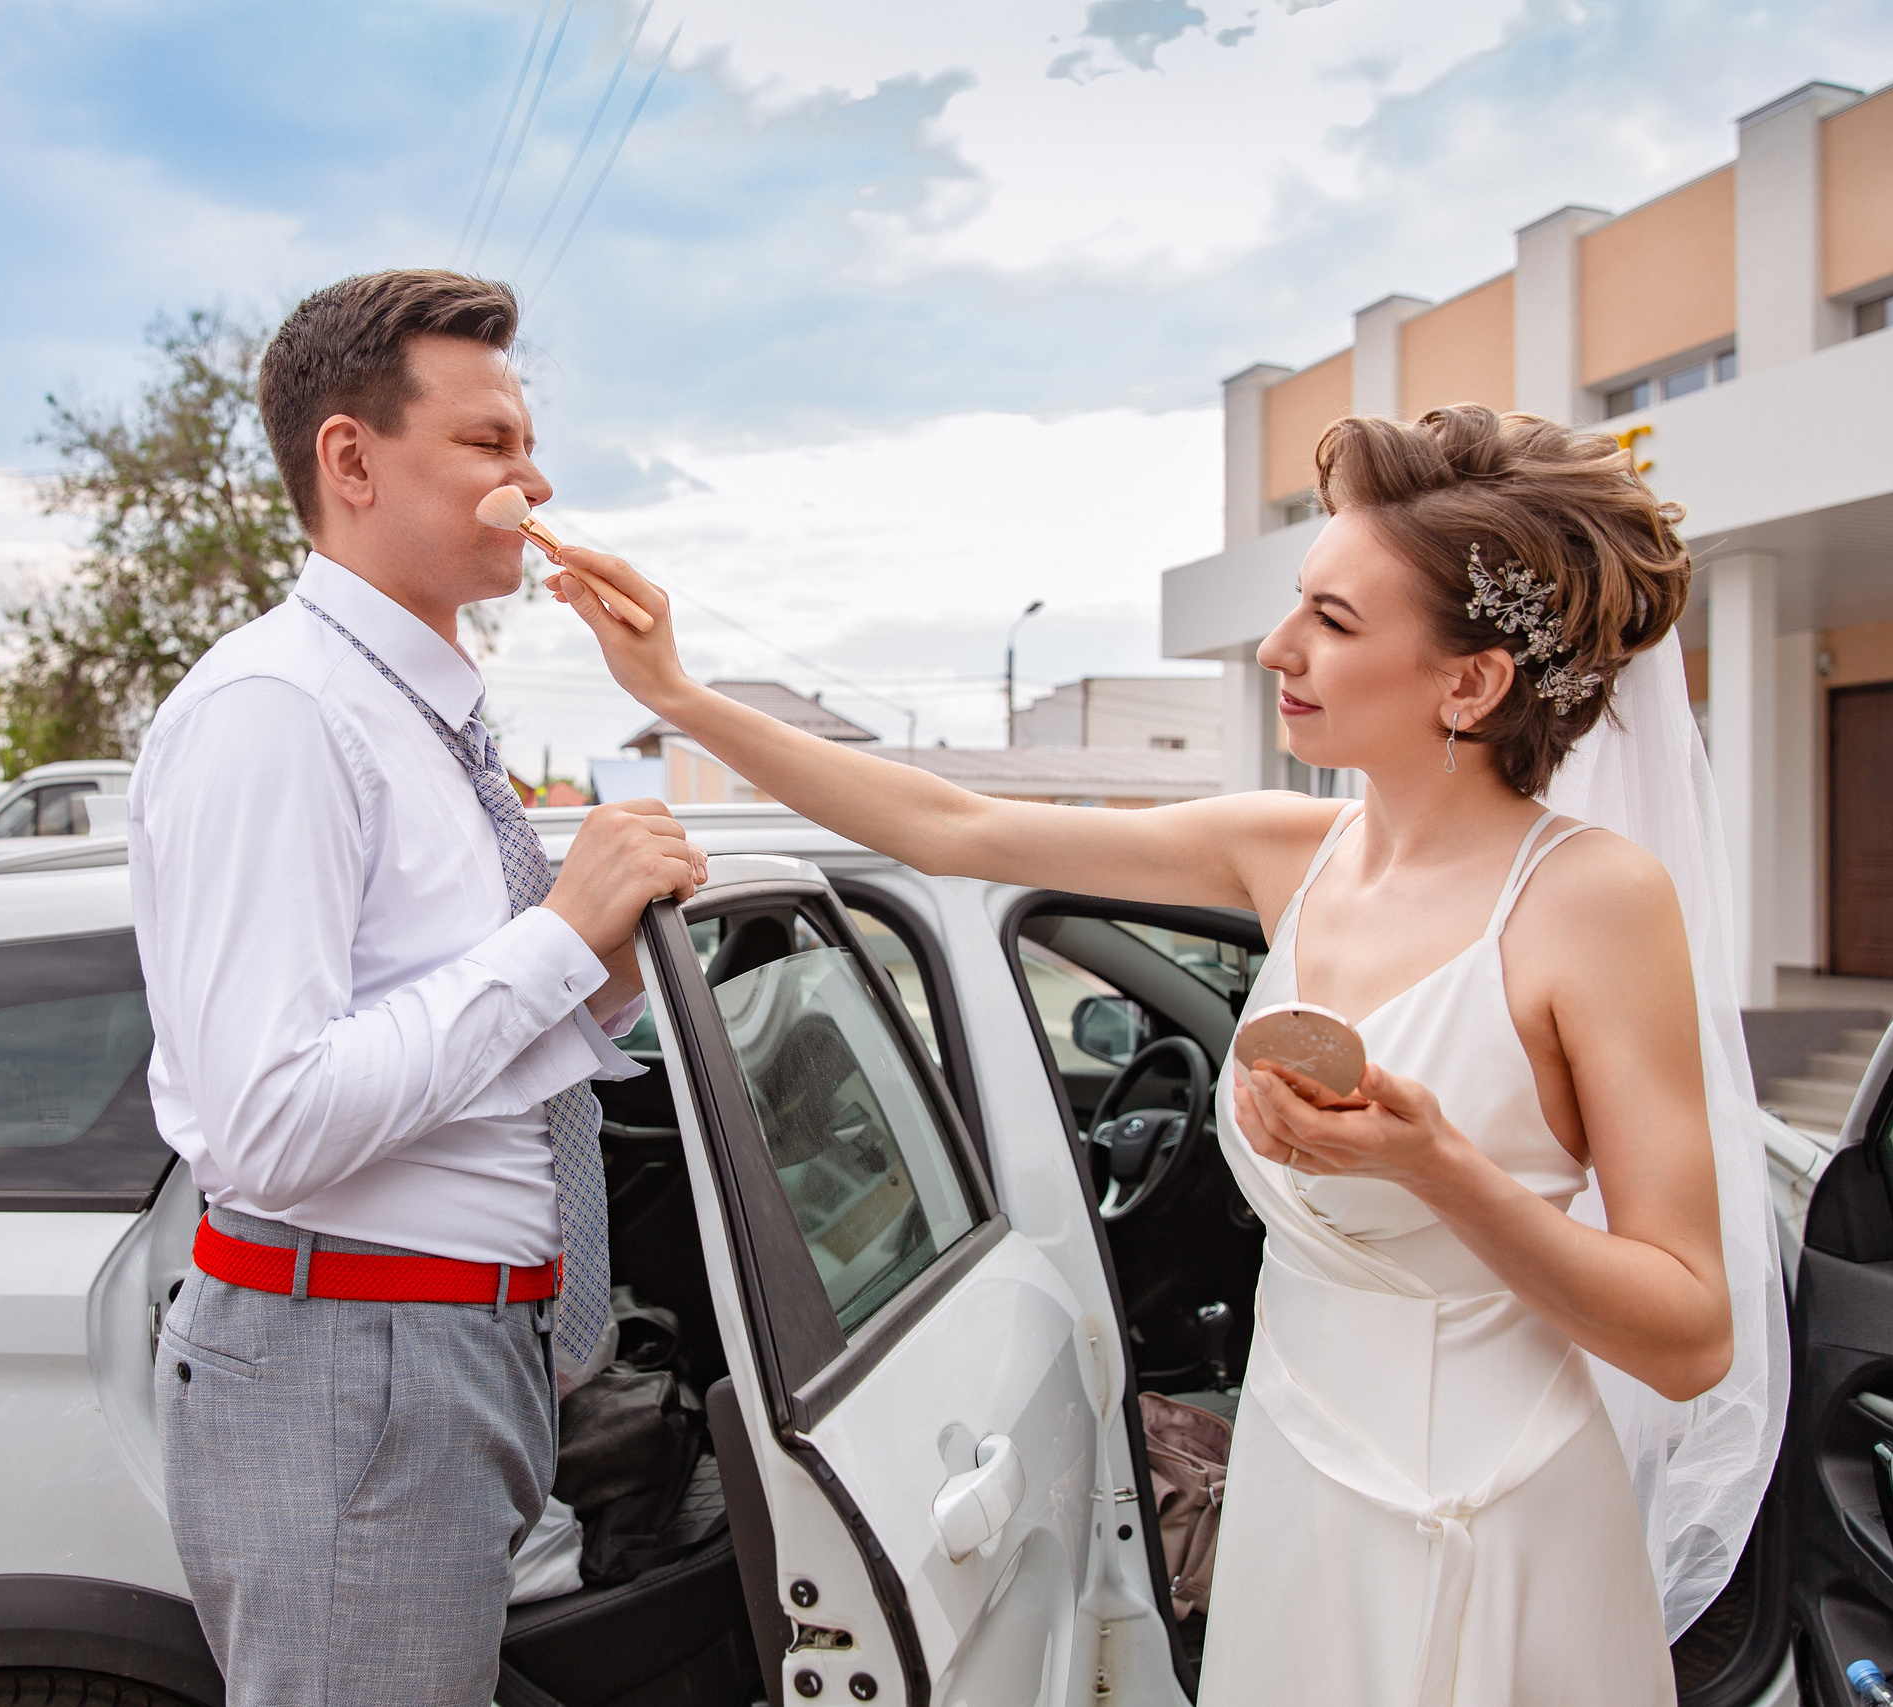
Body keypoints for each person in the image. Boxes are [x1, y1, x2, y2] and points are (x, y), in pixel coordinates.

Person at [547, 404, 1785, 1705]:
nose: (1277, 645)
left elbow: (1692, 1333)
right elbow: (952, 827)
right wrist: (680, 697)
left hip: (1495, 1511)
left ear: (1470, 684)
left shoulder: (1595, 901)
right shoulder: (1291, 850)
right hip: (1300, 1485)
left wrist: (1441, 1172)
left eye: (1337, 622)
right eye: (1299, 601)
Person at [129, 269, 706, 1707]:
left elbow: (453, 1042)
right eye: (492, 443)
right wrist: (555, 942)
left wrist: (598, 977)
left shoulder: (424, 713)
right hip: (358, 1361)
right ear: (351, 460)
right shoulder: (281, 712)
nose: (535, 476)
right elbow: (268, 1125)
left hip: (450, 1354)